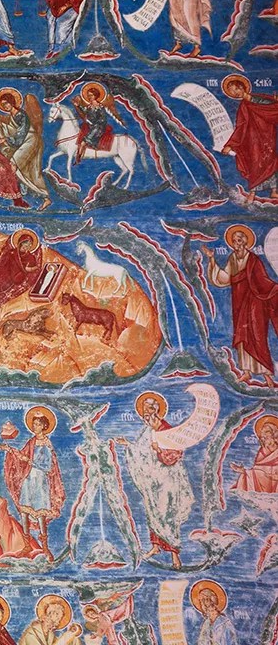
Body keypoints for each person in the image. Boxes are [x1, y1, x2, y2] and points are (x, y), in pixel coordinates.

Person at [113, 391, 195, 567]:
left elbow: (175, 454)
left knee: (168, 514)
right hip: (153, 480)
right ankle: (156, 547)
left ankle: (174, 554)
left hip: (168, 480)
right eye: (144, 410)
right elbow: (141, 450)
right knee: (153, 512)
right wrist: (128, 444)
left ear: (157, 411)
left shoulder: (167, 430)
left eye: (149, 410)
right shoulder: (147, 431)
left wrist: (158, 450)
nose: (146, 414)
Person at [203, 224, 278, 385]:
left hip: (255, 303)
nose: (235, 244)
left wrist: (274, 289)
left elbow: (263, 280)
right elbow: (225, 277)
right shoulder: (232, 258)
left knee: (258, 337)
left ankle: (267, 376)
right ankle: (246, 372)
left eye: (238, 240)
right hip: (239, 301)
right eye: (233, 241)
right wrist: (211, 259)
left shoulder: (253, 259)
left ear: (244, 242)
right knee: (242, 337)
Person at [2, 408, 65, 561]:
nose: (35, 427)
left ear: (44, 426)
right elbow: (22, 456)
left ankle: (45, 548)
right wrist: (9, 450)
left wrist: (31, 462)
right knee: (24, 512)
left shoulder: (47, 443)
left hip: (40, 480)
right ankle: (27, 545)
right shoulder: (31, 442)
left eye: (38, 424)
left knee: (40, 513)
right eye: (34, 424)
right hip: (28, 479)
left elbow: (48, 466)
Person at [0, 88, 50, 209]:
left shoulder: (21, 114)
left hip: (30, 140)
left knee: (15, 164)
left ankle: (21, 196)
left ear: (12, 102)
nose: (5, 106)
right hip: (24, 142)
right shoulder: (12, 116)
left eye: (7, 103)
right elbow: (11, 129)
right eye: (3, 105)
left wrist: (7, 139)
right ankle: (42, 198)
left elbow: (21, 133)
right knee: (30, 171)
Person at [220, 73, 278, 201]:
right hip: (253, 139)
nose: (235, 93)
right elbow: (241, 127)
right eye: (232, 92)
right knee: (255, 163)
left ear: (242, 87)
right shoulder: (243, 106)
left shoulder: (260, 98)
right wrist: (230, 145)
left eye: (236, 89)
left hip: (268, 135)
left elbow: (273, 109)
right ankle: (252, 193)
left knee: (271, 161)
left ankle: (274, 191)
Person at [72, 82, 124, 166]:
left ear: (95, 96)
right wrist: (77, 106)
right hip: (91, 126)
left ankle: (78, 159)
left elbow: (103, 119)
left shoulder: (100, 107)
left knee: (83, 143)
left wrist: (94, 123)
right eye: (88, 95)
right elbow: (84, 112)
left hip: (98, 127)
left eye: (91, 95)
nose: (89, 97)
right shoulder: (89, 107)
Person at [231, 415, 278, 492]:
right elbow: (257, 469)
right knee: (247, 474)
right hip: (266, 482)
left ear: (275, 433)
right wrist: (245, 472)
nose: (264, 436)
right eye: (262, 433)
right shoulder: (263, 451)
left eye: (267, 432)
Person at [190, 580, 238, 645]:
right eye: (201, 602)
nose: (202, 605)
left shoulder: (225, 623)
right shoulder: (206, 624)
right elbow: (201, 642)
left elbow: (231, 642)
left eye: (203, 601)